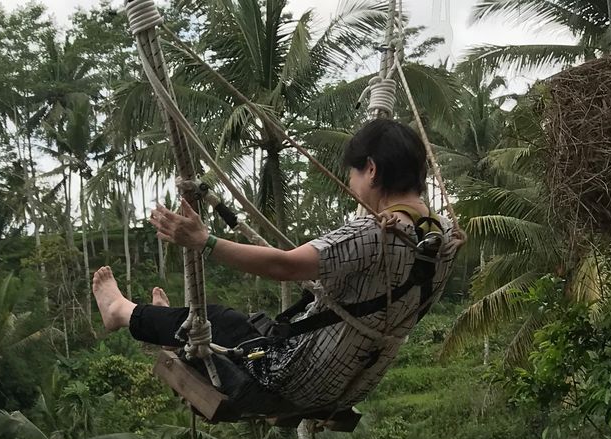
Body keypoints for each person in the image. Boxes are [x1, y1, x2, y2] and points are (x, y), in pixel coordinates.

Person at [91, 119, 459, 414]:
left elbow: (285, 266)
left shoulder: (375, 234)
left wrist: (204, 241)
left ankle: (120, 311)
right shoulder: (444, 236)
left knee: (220, 321)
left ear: (372, 170)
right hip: (351, 385)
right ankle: (163, 323)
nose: (351, 182)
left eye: (354, 173)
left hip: (299, 378)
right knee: (254, 326)